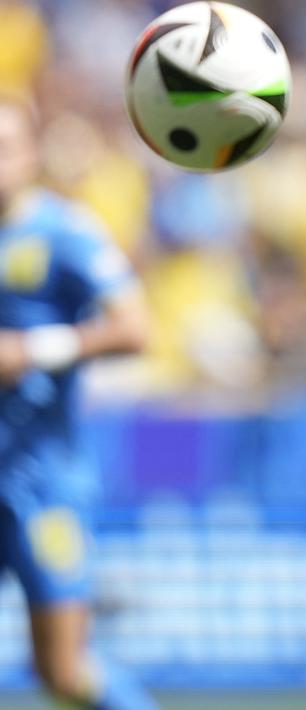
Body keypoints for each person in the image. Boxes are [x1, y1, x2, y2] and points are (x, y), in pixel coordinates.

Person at [0, 94, 156, 709]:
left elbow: (135, 328)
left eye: (5, 147)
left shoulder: (62, 231)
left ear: (31, 154)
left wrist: (31, 350)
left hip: (43, 482)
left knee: (61, 669)